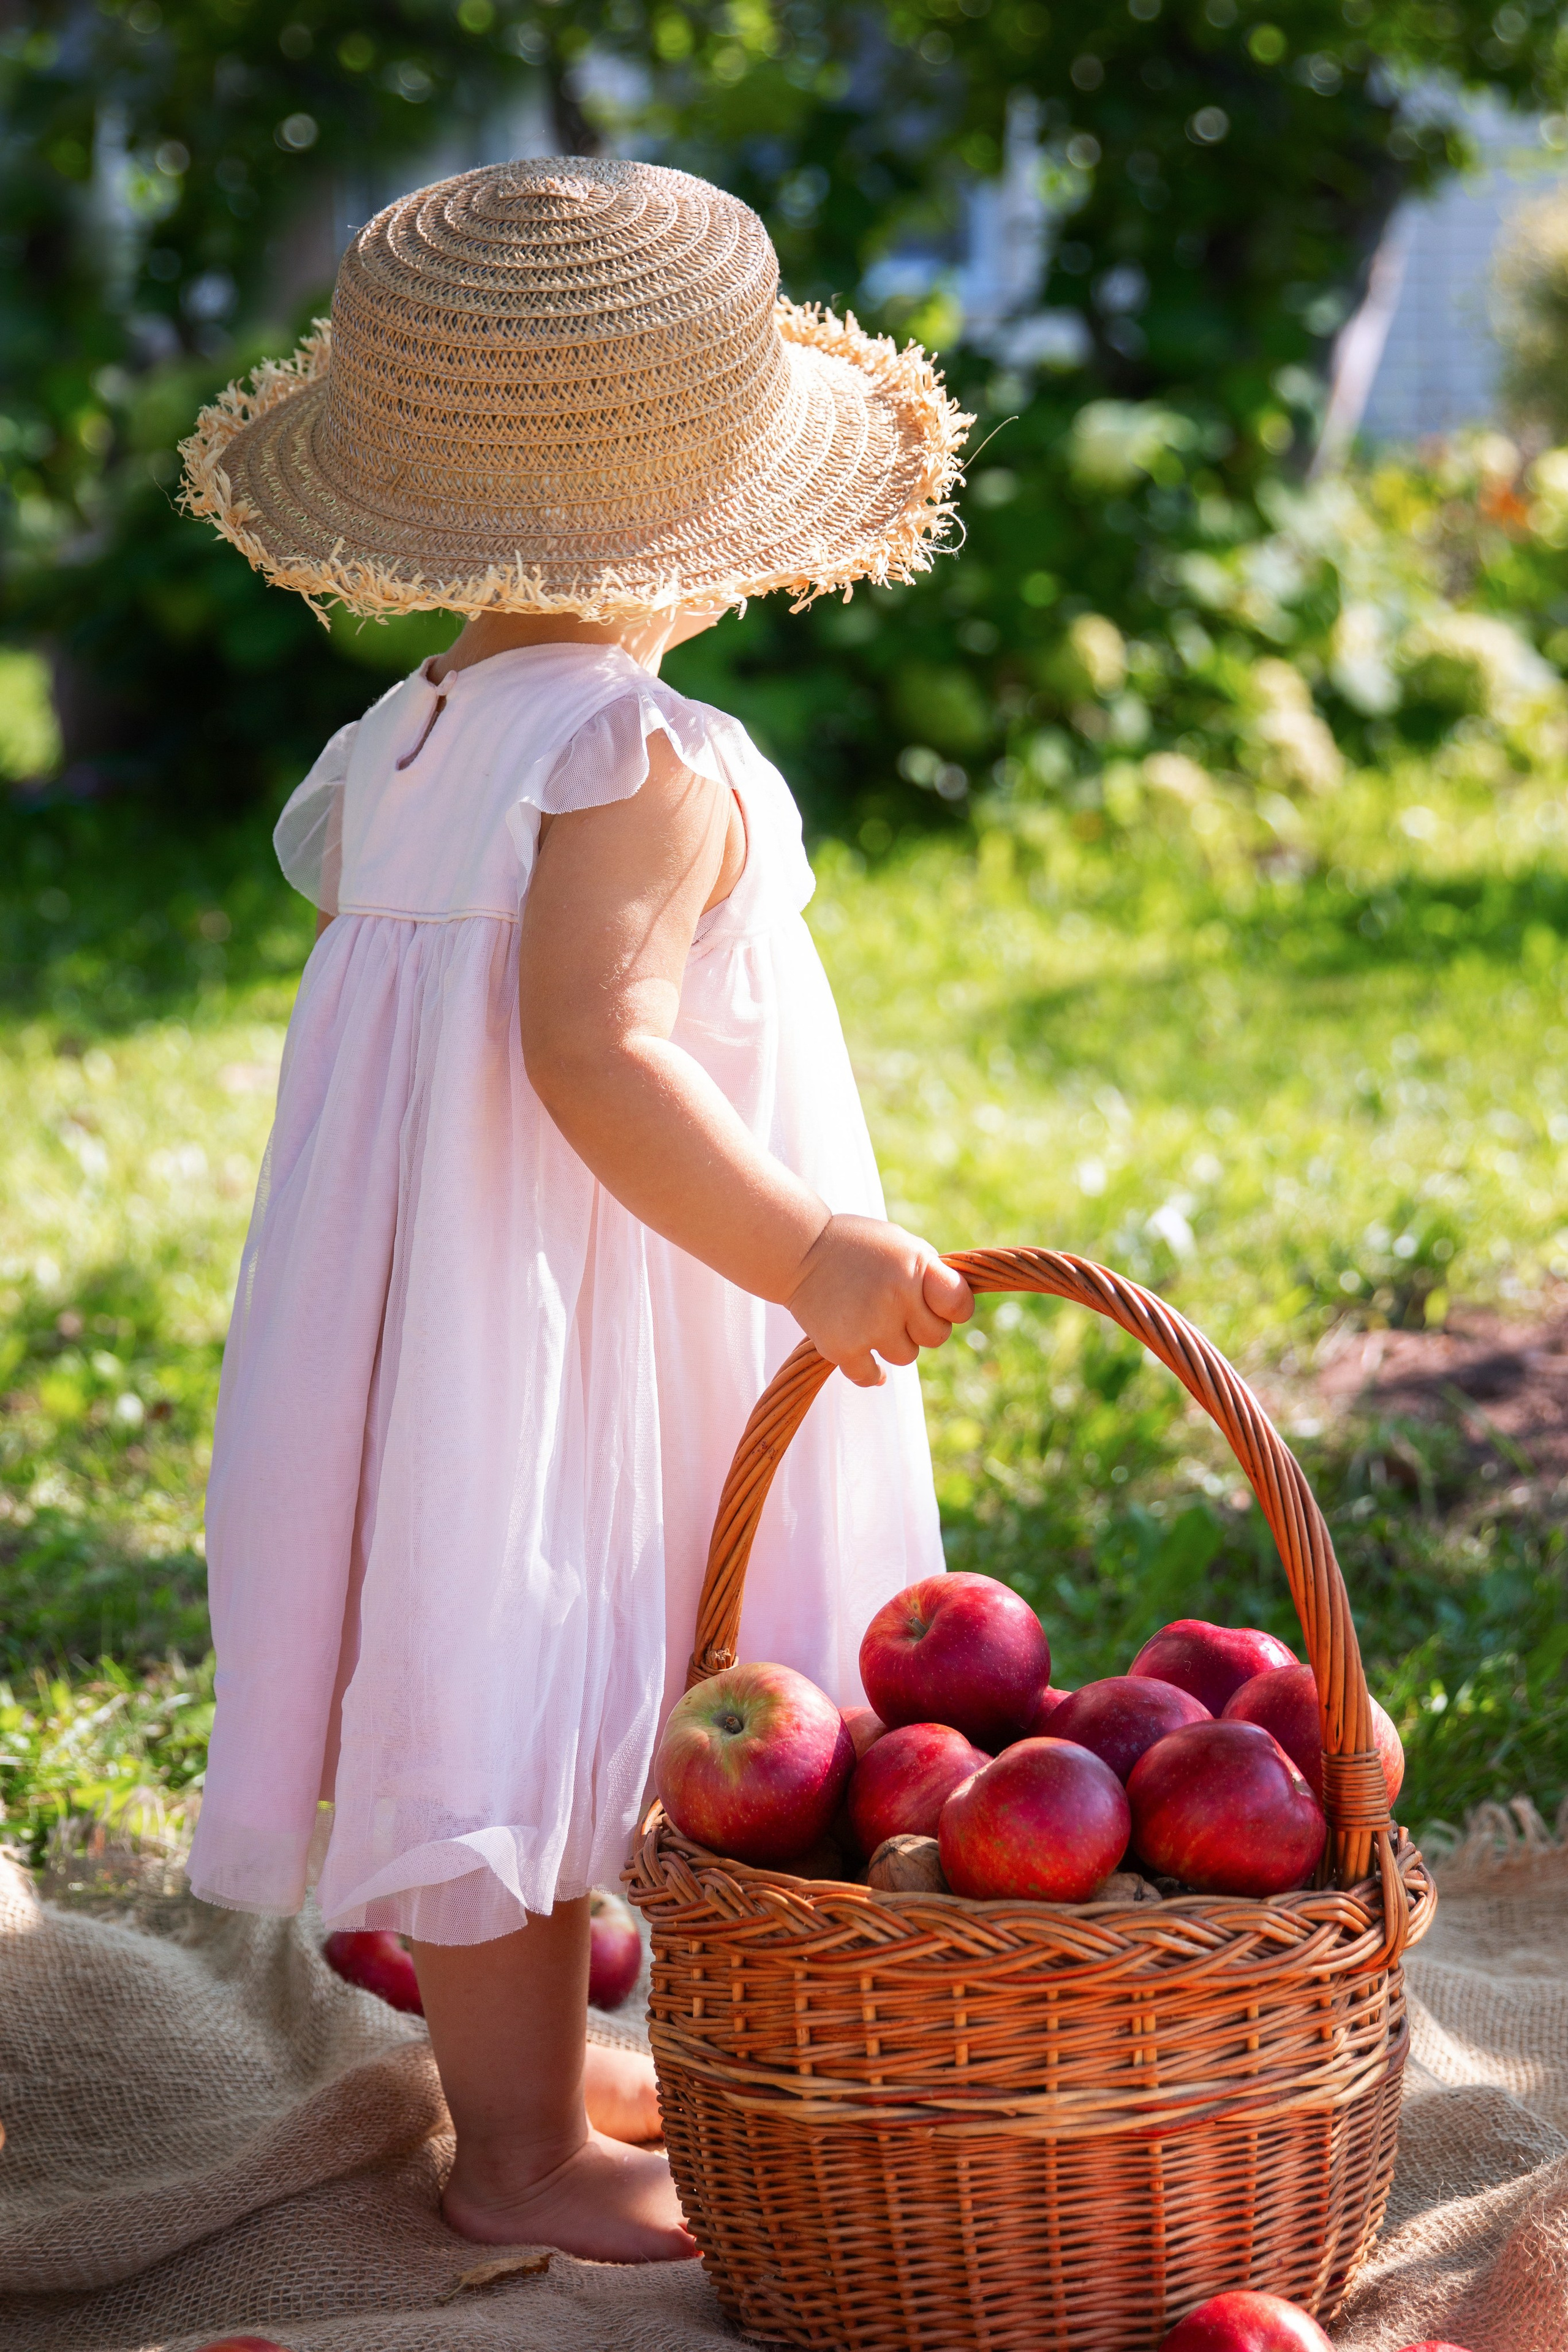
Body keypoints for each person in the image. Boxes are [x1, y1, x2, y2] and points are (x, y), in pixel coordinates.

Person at [178, 155, 973, 2264]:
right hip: (600, 1304)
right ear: (703, 532)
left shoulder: (406, 734)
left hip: (451, 1309)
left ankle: (546, 2087)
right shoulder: (634, 752)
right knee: (570, 1663)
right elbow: (597, 1053)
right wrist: (805, 1251)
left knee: (489, 1669)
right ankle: (517, 2156)